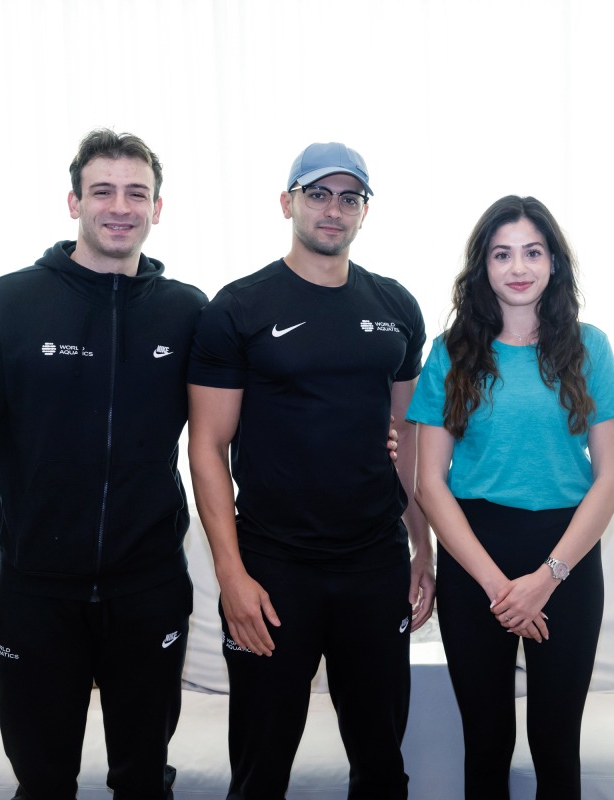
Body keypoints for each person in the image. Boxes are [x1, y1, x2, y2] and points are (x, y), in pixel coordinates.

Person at [0, 129, 207, 799]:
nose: (120, 207)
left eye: (136, 193)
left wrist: (371, 437)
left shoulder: (187, 312)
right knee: (43, 782)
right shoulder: (8, 304)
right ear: (73, 202)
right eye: (103, 190)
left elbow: (238, 425)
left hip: (148, 587)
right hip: (36, 592)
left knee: (143, 780)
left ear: (157, 208)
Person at [186, 142, 434, 800]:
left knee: (382, 767)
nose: (333, 209)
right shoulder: (238, 308)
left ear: (364, 212)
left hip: (374, 564)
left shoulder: (396, 306)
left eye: (350, 198)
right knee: (260, 772)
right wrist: (231, 575)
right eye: (318, 194)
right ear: (287, 202)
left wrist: (422, 545)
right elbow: (206, 446)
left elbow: (406, 438)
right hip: (275, 568)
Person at [408, 195, 614, 799]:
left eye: (532, 252)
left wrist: (546, 578)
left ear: (554, 262)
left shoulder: (589, 347)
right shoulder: (451, 352)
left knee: (556, 745)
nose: (518, 267)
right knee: (486, 744)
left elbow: (611, 480)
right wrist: (498, 587)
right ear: (483, 267)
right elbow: (430, 483)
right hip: (474, 554)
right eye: (502, 254)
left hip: (566, 558)